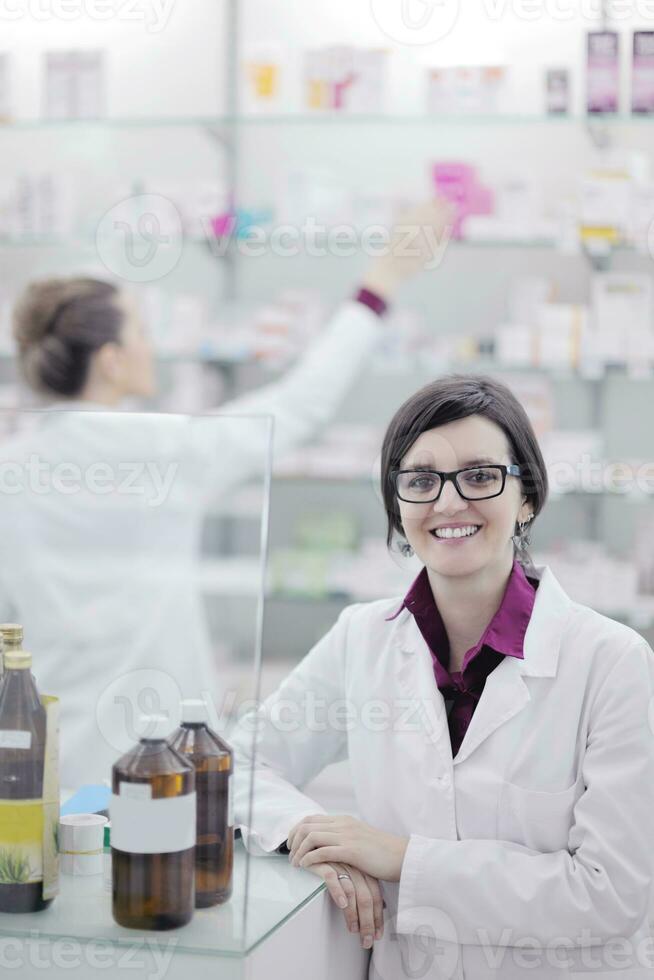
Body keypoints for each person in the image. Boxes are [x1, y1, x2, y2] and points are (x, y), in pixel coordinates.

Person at [0, 199, 453, 788]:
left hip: (45, 757)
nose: (150, 344)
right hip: (155, 751)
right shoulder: (160, 450)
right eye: (139, 329)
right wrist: (381, 282)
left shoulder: (14, 467)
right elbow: (299, 405)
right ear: (111, 361)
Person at [230, 374, 654, 979]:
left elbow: (610, 895)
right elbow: (240, 765)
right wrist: (312, 835)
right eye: (421, 480)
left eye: (480, 476)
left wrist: (404, 860)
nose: (448, 503)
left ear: (527, 496)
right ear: (398, 506)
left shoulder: (611, 661)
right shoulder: (363, 638)